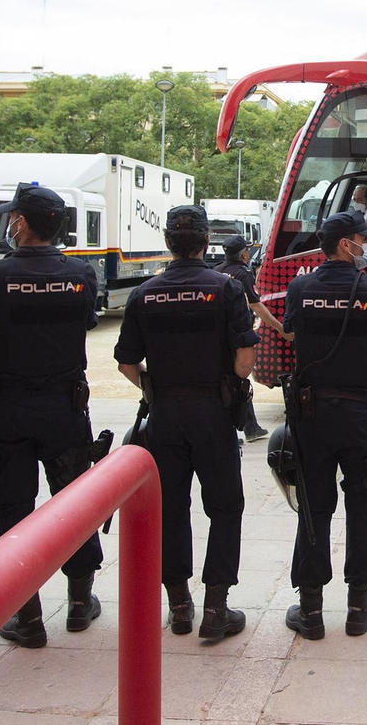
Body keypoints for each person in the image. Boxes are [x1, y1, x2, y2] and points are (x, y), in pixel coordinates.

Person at [0, 183, 104, 648]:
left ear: (20, 222)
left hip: (8, 409)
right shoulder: (81, 274)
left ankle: (28, 615)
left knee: (15, 510)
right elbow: (87, 323)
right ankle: (80, 603)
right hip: (64, 408)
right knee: (73, 507)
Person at [115, 205, 259, 643]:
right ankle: (216, 608)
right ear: (205, 242)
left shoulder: (145, 293)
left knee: (171, 508)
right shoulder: (227, 289)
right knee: (225, 507)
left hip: (164, 416)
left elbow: (126, 362)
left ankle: (179, 606)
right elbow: (246, 359)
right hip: (212, 413)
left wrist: (153, 385)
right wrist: (224, 382)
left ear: (167, 242)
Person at [281, 209, 367, 640]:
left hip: (311, 416)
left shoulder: (299, 287)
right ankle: (357, 607)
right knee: (363, 504)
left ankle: (310, 612)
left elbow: (291, 334)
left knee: (314, 505)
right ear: (346, 245)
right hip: (363, 417)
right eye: (362, 240)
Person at [215, 233, 292, 442]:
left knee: (229, 380)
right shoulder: (243, 274)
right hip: (237, 336)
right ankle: (240, 429)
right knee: (236, 382)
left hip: (217, 336)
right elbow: (255, 305)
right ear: (244, 254)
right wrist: (279, 327)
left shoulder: (216, 271)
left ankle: (250, 426)